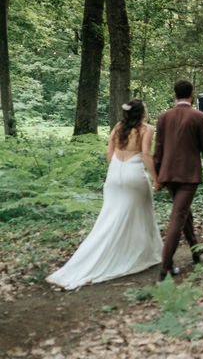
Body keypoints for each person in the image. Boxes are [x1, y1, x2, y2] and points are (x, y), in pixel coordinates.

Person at [46, 100, 163, 290]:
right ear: (142, 113)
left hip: (115, 174)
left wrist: (116, 172)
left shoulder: (118, 127)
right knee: (142, 214)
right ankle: (141, 254)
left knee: (110, 217)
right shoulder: (146, 129)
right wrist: (156, 178)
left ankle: (100, 255)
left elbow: (109, 153)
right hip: (134, 175)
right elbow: (146, 155)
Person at [154, 80, 203, 281]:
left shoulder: (164, 117)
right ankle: (165, 267)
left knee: (184, 213)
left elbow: (159, 149)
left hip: (168, 174)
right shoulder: (199, 117)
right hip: (188, 175)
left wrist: (158, 175)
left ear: (175, 94)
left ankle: (196, 252)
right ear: (192, 93)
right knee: (178, 216)